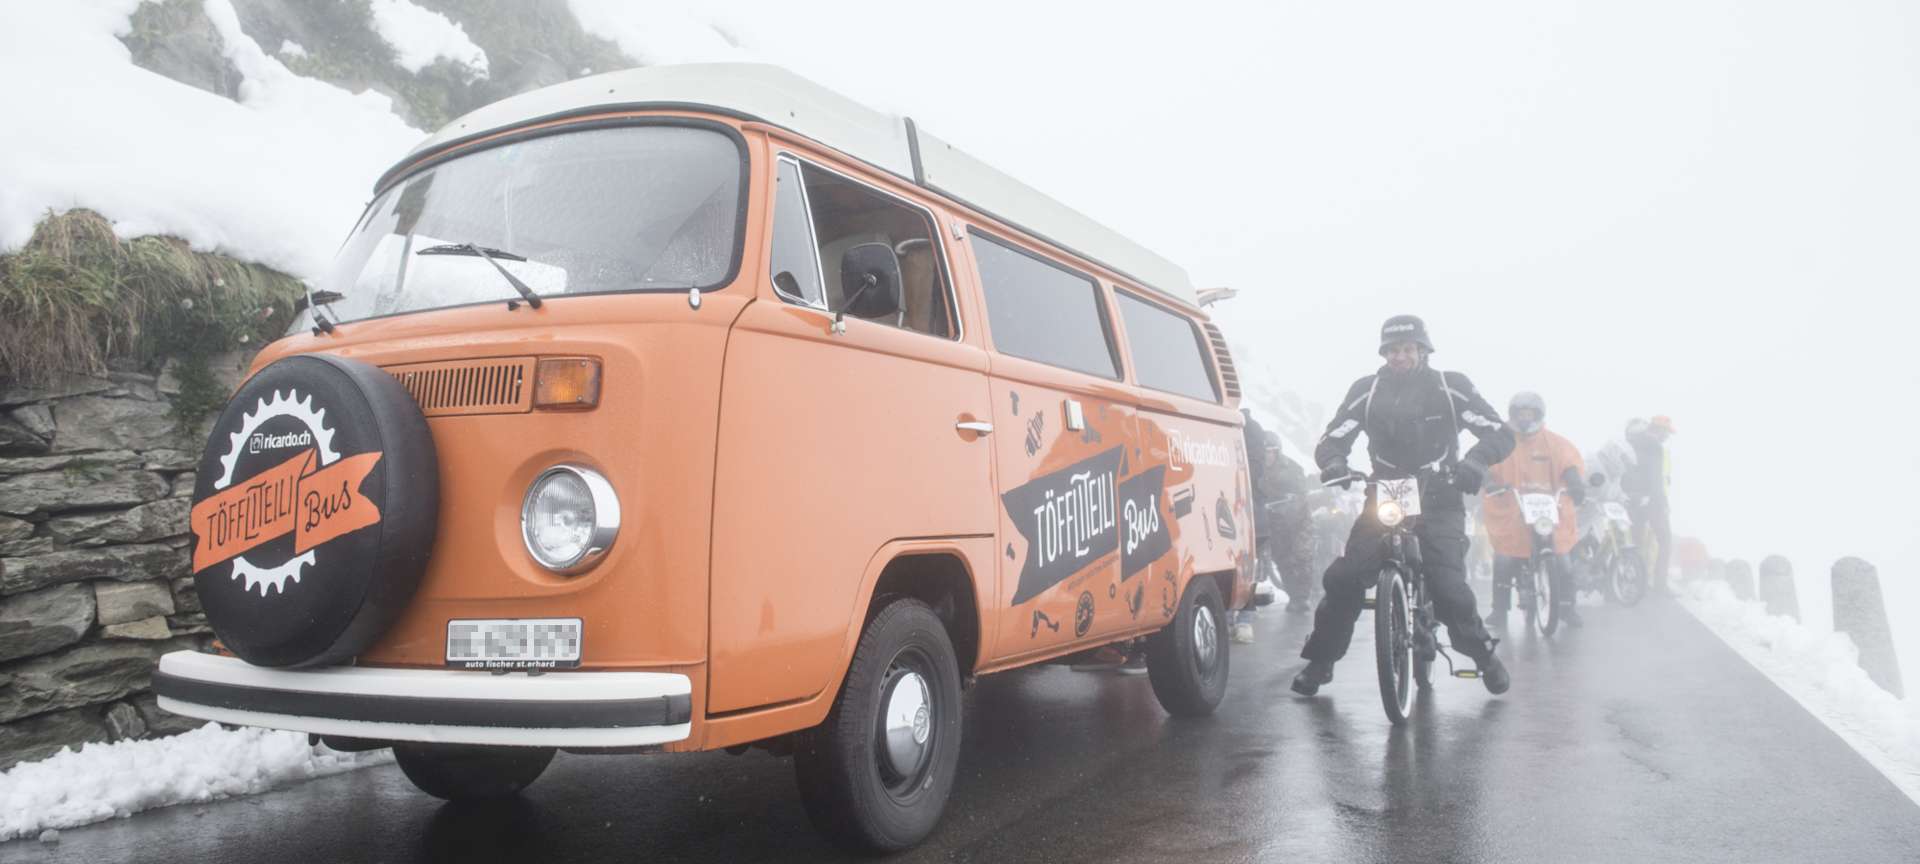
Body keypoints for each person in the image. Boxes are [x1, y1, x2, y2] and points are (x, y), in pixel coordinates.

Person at [1292, 315, 1517, 697]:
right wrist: (1333, 463)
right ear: (1384, 353)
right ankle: (1321, 661)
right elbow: (1334, 436)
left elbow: (1498, 431)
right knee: (1344, 578)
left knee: (1448, 586)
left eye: (1408, 349)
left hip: (1440, 490)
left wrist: (1475, 462)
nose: (1400, 356)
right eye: (1393, 350)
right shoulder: (1368, 390)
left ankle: (1483, 655)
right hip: (1389, 489)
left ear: (1423, 351)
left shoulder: (1451, 387)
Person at [1480, 391, 1586, 629]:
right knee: (1504, 559)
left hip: (1548, 512)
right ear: (1513, 415)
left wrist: (1575, 483)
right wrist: (1489, 482)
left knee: (1563, 559)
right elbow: (1483, 462)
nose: (1525, 418)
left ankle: (1568, 608)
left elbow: (1569, 464)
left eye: (1530, 413)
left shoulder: (1556, 444)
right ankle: (1499, 610)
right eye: (1520, 413)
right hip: (1512, 510)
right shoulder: (1501, 441)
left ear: (1539, 415)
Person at [1623, 416, 1676, 595]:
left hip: (1632, 500)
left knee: (1635, 541)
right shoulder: (1654, 447)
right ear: (1658, 430)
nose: (1667, 437)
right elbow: (1655, 479)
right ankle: (1660, 585)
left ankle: (1635, 583)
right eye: (1667, 432)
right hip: (1652, 501)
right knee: (1665, 540)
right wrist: (1662, 502)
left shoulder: (1631, 443)